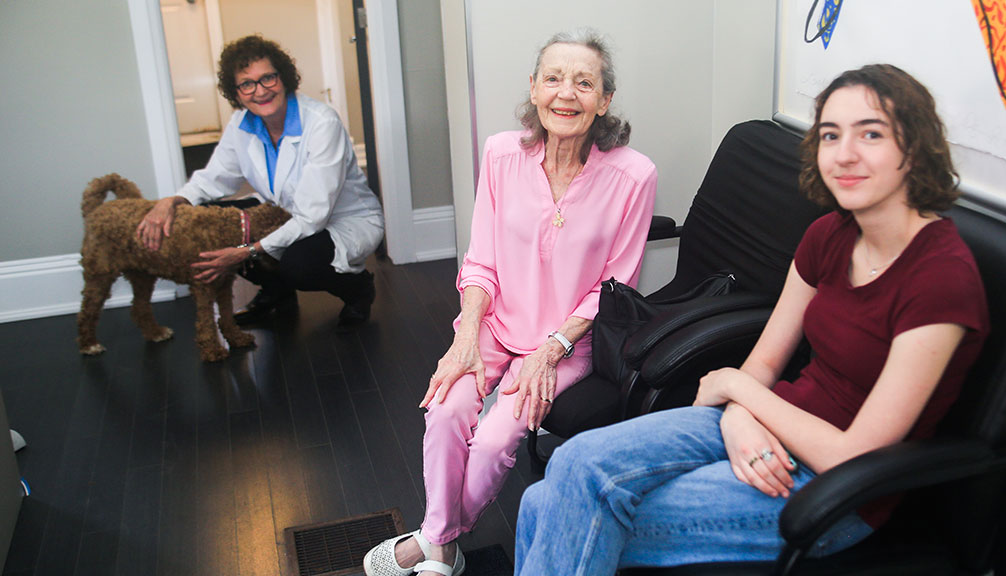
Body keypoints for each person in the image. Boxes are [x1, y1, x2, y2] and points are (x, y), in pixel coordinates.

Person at [514, 63, 990, 574]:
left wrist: (736, 391)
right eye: (830, 135)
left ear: (915, 148)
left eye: (870, 134)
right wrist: (742, 412)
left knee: (556, 507)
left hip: (835, 491)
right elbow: (763, 363)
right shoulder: (828, 234)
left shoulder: (941, 279)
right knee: (565, 470)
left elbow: (853, 455)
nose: (845, 153)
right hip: (764, 422)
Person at [363, 30, 656, 576]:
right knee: (446, 407)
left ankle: (434, 543)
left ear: (604, 100)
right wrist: (465, 338)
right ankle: (442, 544)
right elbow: (481, 261)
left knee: (499, 436)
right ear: (534, 88)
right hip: (496, 323)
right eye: (553, 78)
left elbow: (615, 287)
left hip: (569, 340)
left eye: (584, 83)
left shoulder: (634, 175)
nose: (566, 94)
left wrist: (552, 348)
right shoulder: (501, 153)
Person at [137, 35, 384, 327]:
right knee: (213, 219)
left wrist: (244, 251)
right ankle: (277, 292)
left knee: (298, 265)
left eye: (268, 78)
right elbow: (214, 179)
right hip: (287, 214)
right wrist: (171, 201)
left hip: (344, 221)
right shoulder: (241, 124)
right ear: (236, 93)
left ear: (284, 77)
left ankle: (358, 290)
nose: (260, 91)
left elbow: (312, 217)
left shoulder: (321, 123)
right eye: (247, 84)